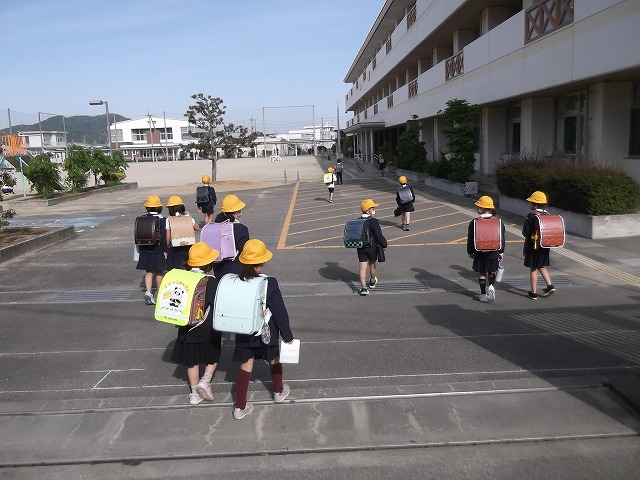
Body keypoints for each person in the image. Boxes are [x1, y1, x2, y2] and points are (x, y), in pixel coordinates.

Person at [231, 239, 295, 420]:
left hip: (244, 331)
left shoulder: (235, 281)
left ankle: (239, 407)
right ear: (260, 265)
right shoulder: (270, 282)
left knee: (246, 365)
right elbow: (279, 312)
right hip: (268, 331)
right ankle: (278, 391)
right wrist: (287, 335)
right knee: (274, 360)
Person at [170, 242, 223, 405]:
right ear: (209, 264)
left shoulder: (183, 279)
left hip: (187, 326)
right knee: (212, 355)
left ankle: (194, 393)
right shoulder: (211, 281)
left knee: (191, 361)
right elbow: (216, 304)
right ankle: (205, 381)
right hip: (207, 326)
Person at [467, 196, 505, 302]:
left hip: (479, 252)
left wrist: (470, 252)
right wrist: (501, 252)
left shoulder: (474, 222)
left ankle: (483, 294)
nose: (477, 208)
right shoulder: (498, 222)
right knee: (491, 271)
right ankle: (491, 286)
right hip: (493, 251)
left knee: (482, 273)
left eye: (479, 206)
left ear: (483, 208)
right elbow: (501, 238)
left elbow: (470, 239)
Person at [522, 191, 556, 300]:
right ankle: (550, 286)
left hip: (533, 246)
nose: (530, 204)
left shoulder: (531, 216)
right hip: (544, 245)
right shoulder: (547, 214)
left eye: (531, 202)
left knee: (533, 268)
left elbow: (525, 233)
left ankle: (533, 292)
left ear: (535, 204)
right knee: (541, 265)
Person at [136, 194, 167, 305]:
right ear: (159, 207)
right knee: (159, 272)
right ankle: (160, 293)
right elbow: (164, 236)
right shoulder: (163, 220)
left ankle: (148, 292)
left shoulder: (141, 219)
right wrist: (165, 250)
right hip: (158, 248)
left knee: (148, 271)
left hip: (145, 249)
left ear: (147, 207)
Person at [212, 194, 250, 278]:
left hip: (218, 269)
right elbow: (244, 251)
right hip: (236, 269)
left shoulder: (215, 226)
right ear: (236, 212)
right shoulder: (241, 229)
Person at [357, 199, 388, 296]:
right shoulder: (373, 221)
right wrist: (384, 244)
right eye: (372, 208)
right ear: (367, 210)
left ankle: (363, 287)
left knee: (362, 267)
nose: (374, 209)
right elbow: (378, 235)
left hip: (361, 247)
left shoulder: (358, 221)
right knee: (372, 265)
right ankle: (372, 281)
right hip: (372, 247)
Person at [165, 195, 200, 270]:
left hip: (174, 247)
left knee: (176, 267)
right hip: (188, 246)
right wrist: (190, 216)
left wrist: (166, 248)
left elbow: (168, 236)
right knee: (187, 266)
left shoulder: (168, 220)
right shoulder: (188, 217)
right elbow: (197, 228)